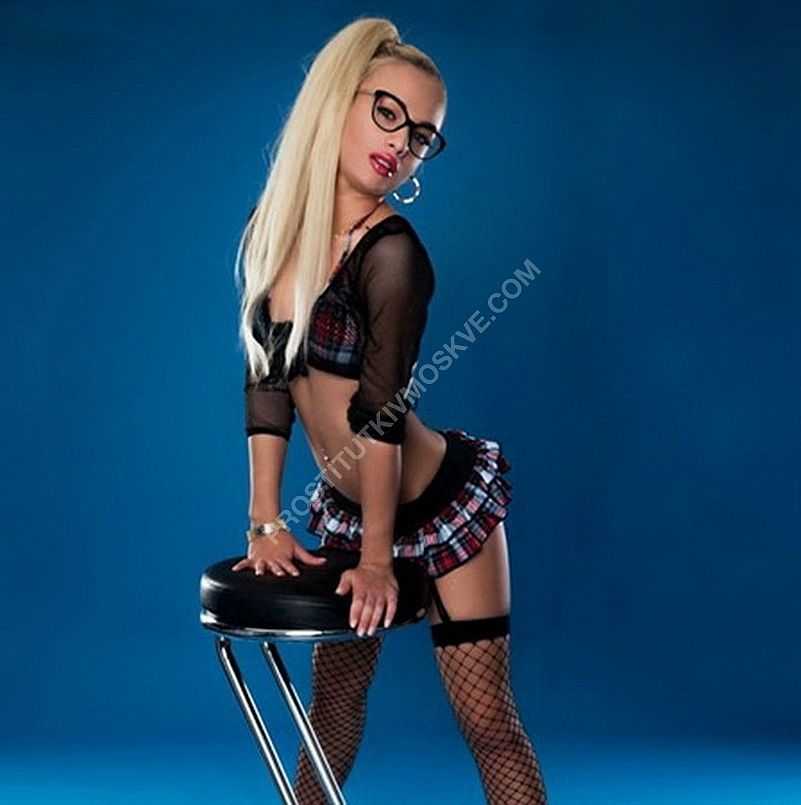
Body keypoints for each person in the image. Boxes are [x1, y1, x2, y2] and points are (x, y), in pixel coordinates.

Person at [230, 16, 548, 805]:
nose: (400, 144)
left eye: (420, 136)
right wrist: (264, 521)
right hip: (350, 504)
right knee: (332, 712)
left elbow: (379, 411)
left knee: (487, 719)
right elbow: (266, 381)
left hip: (437, 500)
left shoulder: (393, 253)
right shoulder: (274, 229)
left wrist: (377, 559)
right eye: (387, 112)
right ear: (338, 98)